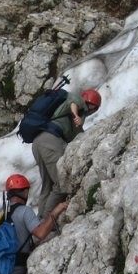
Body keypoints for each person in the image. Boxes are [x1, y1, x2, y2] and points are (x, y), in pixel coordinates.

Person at [32, 89, 101, 218]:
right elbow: (74, 103)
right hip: (51, 140)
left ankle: (39, 221)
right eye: (93, 107)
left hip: (38, 141)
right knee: (61, 184)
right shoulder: (77, 102)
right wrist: (76, 116)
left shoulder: (74, 117)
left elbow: (79, 137)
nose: (92, 110)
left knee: (47, 185)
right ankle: (46, 222)